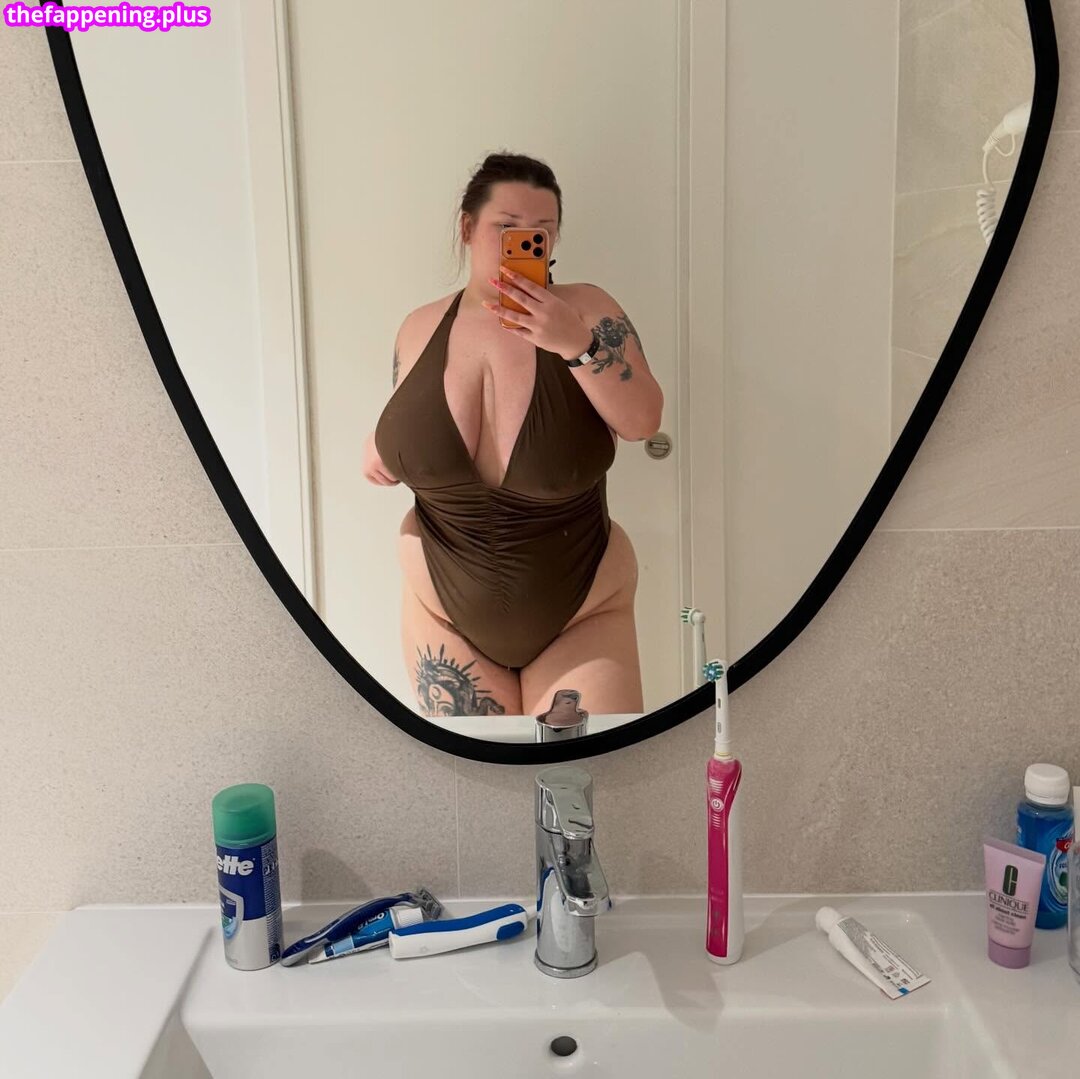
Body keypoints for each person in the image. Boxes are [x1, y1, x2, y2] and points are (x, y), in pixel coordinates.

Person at [363, 152, 663, 719]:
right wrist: (382, 441)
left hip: (582, 612)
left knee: (591, 770)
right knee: (472, 778)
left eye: (540, 231)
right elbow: (411, 420)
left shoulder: (587, 310)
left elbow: (642, 420)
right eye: (506, 226)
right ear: (467, 228)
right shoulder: (419, 326)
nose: (523, 242)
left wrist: (575, 344)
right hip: (444, 614)